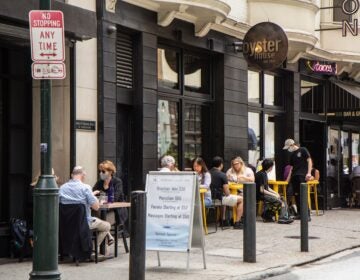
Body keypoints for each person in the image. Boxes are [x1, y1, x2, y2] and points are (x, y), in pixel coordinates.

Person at [59, 166, 114, 249]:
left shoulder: (62, 188)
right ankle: (92, 249)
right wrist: (96, 199)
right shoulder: (85, 188)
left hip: (67, 223)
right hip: (84, 223)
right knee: (107, 226)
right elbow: (96, 207)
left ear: (71, 175)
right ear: (83, 175)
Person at [209, 156, 244, 229]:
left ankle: (223, 220)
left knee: (223, 198)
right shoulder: (222, 175)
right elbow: (227, 193)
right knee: (241, 199)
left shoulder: (207, 173)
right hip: (218, 199)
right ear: (221, 165)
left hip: (208, 198)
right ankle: (237, 222)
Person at [255, 159, 293, 224]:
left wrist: (276, 193)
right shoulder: (262, 175)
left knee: (282, 198)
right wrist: (274, 195)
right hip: (261, 195)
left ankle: (269, 215)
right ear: (270, 167)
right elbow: (262, 190)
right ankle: (282, 218)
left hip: (263, 194)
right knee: (281, 202)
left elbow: (267, 188)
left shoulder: (263, 173)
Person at [283, 139, 312, 219]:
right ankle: (300, 214)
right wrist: (288, 180)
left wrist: (309, 173)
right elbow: (291, 168)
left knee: (303, 195)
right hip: (294, 176)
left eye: (288, 147)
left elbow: (309, 161)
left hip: (302, 175)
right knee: (297, 195)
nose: (288, 149)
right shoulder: (292, 155)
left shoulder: (302, 150)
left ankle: (307, 215)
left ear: (292, 145)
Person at [93, 160, 128, 226]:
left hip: (116, 210)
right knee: (93, 213)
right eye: (99, 171)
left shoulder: (117, 182)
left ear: (110, 172)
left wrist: (101, 198)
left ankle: (103, 231)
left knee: (99, 216)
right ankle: (102, 232)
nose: (101, 173)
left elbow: (114, 198)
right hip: (101, 209)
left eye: (103, 171)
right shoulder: (100, 182)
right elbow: (93, 194)